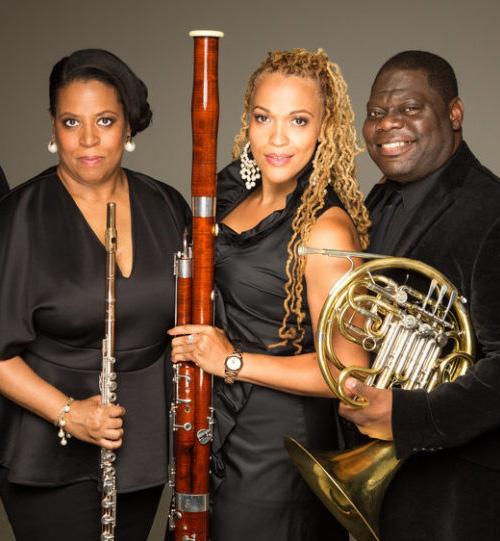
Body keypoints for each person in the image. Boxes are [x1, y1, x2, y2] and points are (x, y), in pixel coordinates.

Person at [169, 48, 370, 541]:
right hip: (212, 428)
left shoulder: (326, 229)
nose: (277, 138)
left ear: (324, 128)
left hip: (278, 449)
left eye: (298, 121)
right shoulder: (230, 194)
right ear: (248, 121)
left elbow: (349, 375)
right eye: (264, 118)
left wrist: (231, 361)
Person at [0, 49, 190, 540]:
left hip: (141, 443)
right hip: (48, 447)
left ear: (128, 127)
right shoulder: (18, 216)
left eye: (105, 121)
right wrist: (70, 413)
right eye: (71, 122)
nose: (88, 139)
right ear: (53, 126)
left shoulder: (166, 205)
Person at [339, 50, 500, 540]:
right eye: (376, 112)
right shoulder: (376, 202)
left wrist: (411, 415)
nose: (388, 123)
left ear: (454, 113)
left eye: (410, 108)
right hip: (380, 475)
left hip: (456, 489)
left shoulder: (491, 210)